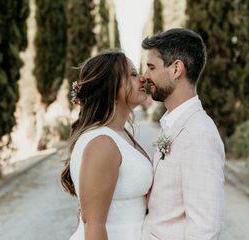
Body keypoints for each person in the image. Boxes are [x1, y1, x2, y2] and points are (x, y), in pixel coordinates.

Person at [141, 28, 225, 240]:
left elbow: (205, 229)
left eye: (151, 67)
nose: (145, 76)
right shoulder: (173, 123)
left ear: (176, 68)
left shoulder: (199, 134)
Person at [61, 50, 153, 240]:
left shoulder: (120, 135)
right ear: (111, 87)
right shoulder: (102, 143)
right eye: (133, 74)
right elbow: (93, 225)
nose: (143, 79)